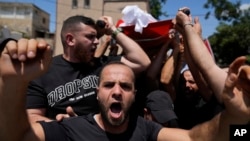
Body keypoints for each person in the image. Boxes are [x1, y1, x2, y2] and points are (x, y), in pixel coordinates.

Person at [0, 38, 250, 141]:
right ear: (97, 93)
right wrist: (13, 83)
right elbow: (17, 137)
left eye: (125, 86)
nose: (117, 91)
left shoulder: (148, 130)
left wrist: (237, 117)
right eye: (108, 85)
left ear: (134, 95)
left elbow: (195, 138)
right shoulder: (71, 129)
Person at [25, 15, 151, 123]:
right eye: (90, 37)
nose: (97, 42)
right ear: (70, 40)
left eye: (97, 37)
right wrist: (64, 125)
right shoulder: (44, 70)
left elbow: (142, 62)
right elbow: (32, 117)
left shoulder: (103, 65)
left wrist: (113, 30)